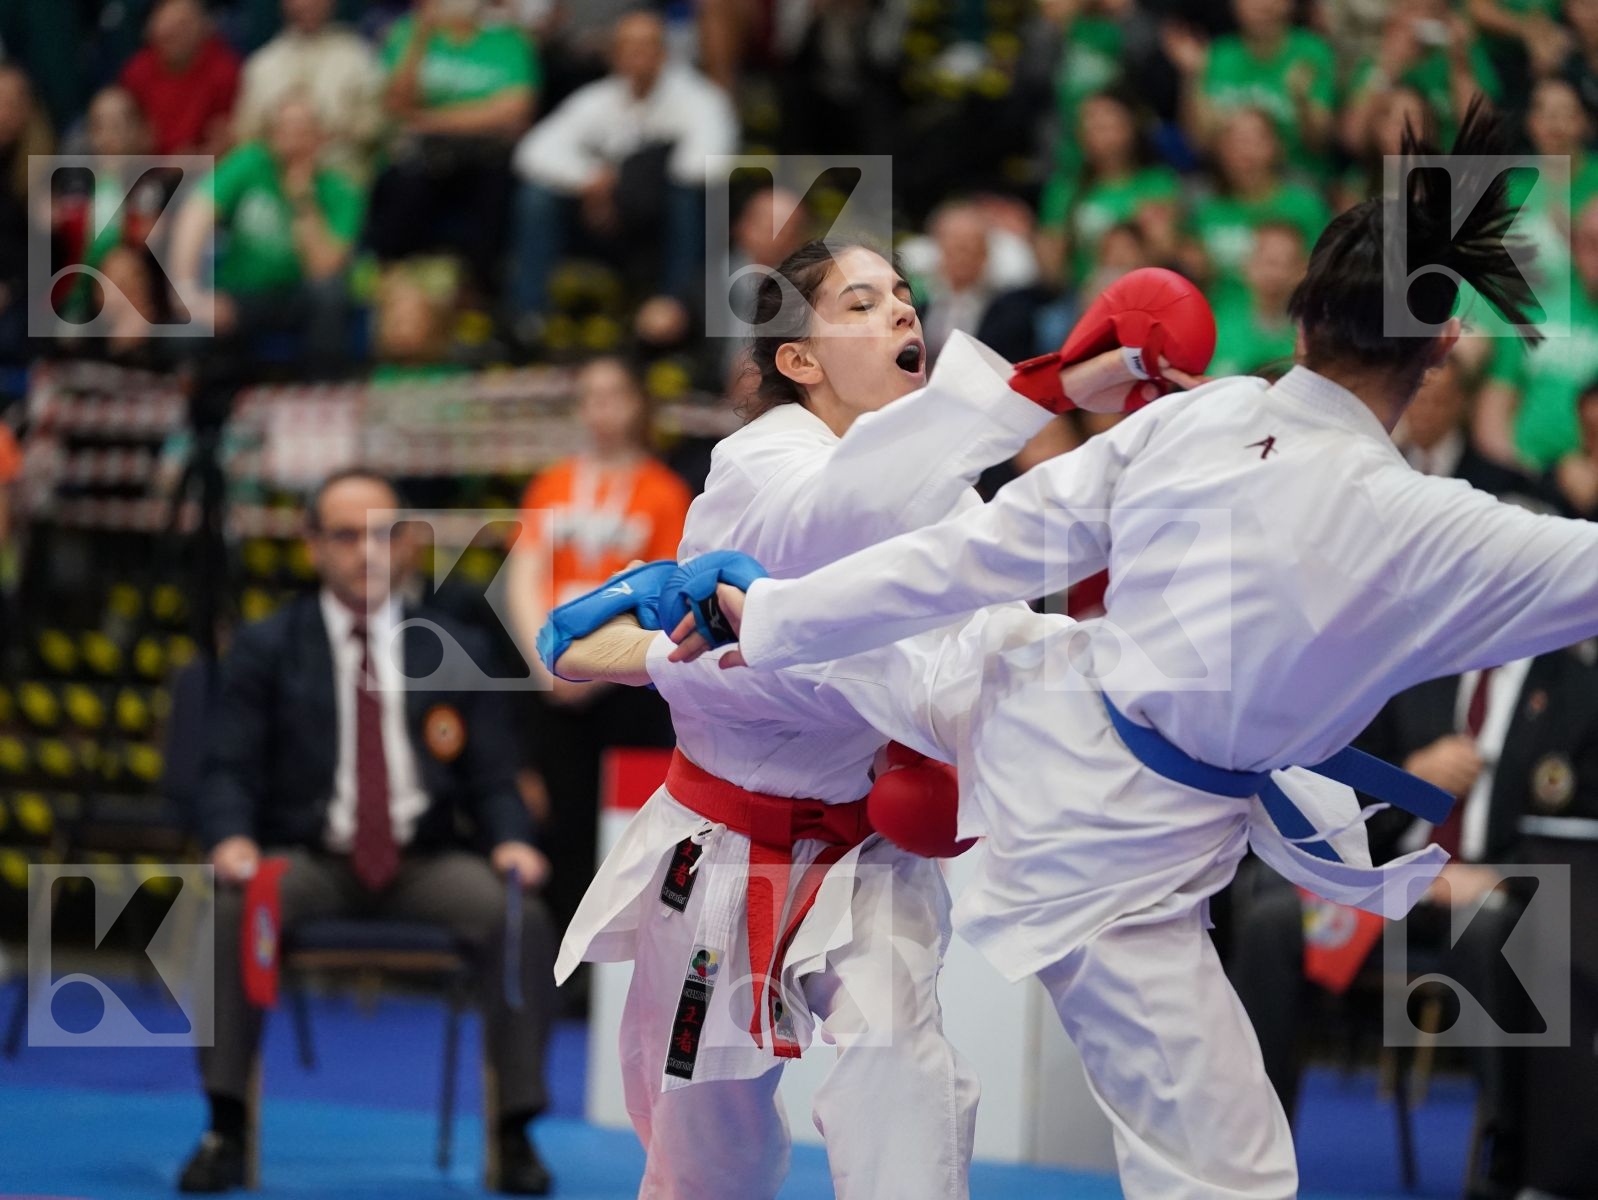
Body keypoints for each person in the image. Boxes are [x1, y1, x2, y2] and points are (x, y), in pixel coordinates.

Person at [670, 101, 1598, 1199]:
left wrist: (773, 615)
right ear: (1442, 347)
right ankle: (720, 628)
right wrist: (770, 617)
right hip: (1108, 839)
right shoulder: (1428, 527)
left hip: (1040, 700)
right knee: (1227, 1173)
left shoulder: (1202, 418)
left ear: (1300, 320)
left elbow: (972, 554)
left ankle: (727, 623)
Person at [550, 242, 1183, 1199]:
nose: (901, 311)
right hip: (719, 852)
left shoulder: (939, 496)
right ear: (798, 359)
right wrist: (1047, 384)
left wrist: (1133, 679)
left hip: (866, 852)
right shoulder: (758, 464)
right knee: (710, 1156)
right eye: (861, 302)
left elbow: (987, 631)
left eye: (904, 295)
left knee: (907, 1079)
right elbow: (841, 513)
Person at [180, 468, 556, 1196]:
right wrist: (230, 839)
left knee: (518, 914)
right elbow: (227, 770)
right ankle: (225, 1125)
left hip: (426, 861)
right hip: (308, 857)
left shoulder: (456, 647)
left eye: (383, 535)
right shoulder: (265, 646)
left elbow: (495, 776)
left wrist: (512, 839)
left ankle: (514, 1133)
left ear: (409, 543)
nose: (366, 552)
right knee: (232, 910)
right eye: (346, 536)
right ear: (313, 544)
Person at [505, 356, 690, 934]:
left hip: (626, 687)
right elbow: (523, 575)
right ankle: (556, 949)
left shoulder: (664, 492)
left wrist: (599, 668)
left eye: (614, 395)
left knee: (621, 823)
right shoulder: (552, 483)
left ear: (638, 404)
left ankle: (618, 949)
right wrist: (549, 660)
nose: (601, 410)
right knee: (555, 817)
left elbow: (661, 593)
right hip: (550, 681)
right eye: (590, 397)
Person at [508, 10, 737, 336]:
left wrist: (626, 180)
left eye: (646, 45)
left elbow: (707, 164)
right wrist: (590, 179)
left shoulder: (698, 98)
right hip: (602, 214)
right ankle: (528, 315)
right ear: (614, 55)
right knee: (537, 196)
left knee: (688, 198)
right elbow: (532, 153)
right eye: (628, 46)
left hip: (661, 213)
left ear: (664, 52)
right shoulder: (595, 100)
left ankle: (674, 309)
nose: (637, 54)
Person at [168, 99, 364, 375]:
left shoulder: (340, 191)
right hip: (242, 294)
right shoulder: (251, 162)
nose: (293, 140)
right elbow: (196, 213)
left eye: (303, 130)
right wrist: (187, 292)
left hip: (298, 296)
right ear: (272, 136)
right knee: (187, 336)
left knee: (330, 294)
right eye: (285, 129)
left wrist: (302, 197)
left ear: (321, 138)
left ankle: (322, 389)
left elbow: (323, 269)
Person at [366, 0, 537, 297]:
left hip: (486, 154)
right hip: (421, 154)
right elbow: (396, 103)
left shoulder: (508, 40)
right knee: (405, 183)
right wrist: (421, 37)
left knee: (497, 189)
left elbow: (516, 109)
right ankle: (391, 283)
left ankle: (480, 294)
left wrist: (431, 120)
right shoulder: (407, 33)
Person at [233, 0, 384, 180]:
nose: (308, 4)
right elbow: (246, 135)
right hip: (275, 180)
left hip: (342, 175)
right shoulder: (262, 64)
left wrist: (332, 136)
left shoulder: (358, 57)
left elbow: (376, 127)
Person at [118, 0, 240, 157]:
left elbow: (223, 138)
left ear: (203, 27)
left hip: (204, 166)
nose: (173, 37)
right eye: (167, 34)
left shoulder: (224, 72)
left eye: (182, 28)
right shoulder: (137, 72)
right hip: (147, 163)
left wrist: (199, 157)